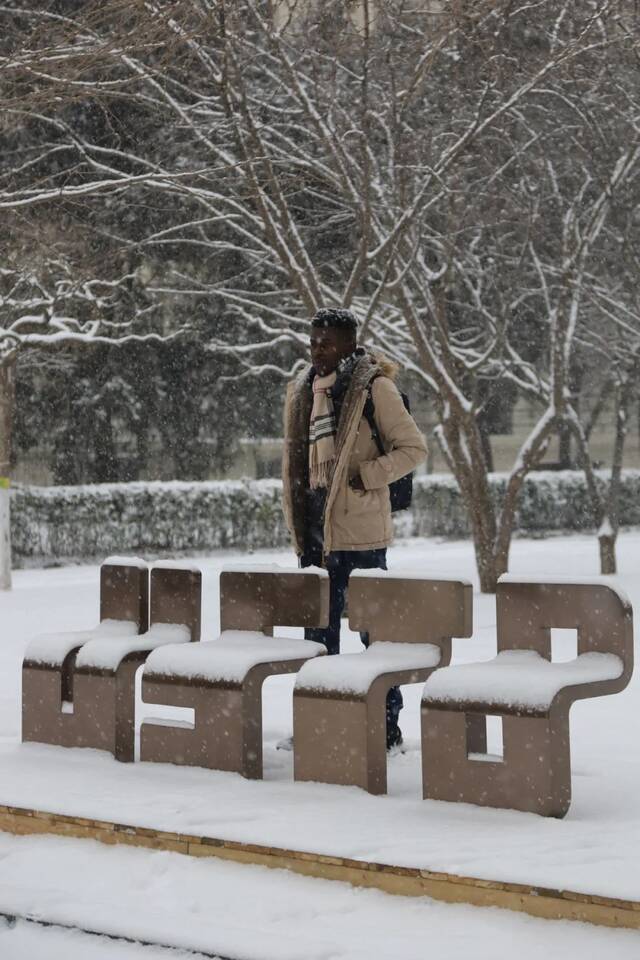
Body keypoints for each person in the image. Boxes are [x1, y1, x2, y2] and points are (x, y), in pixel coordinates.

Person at [282, 307, 428, 749]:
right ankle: (321, 726)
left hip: (362, 537)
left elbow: (413, 448)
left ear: (349, 343)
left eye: (326, 342)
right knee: (316, 642)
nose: (318, 350)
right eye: (313, 342)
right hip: (316, 537)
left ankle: (384, 729)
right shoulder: (304, 391)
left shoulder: (373, 388)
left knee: (375, 639)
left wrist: (368, 476)